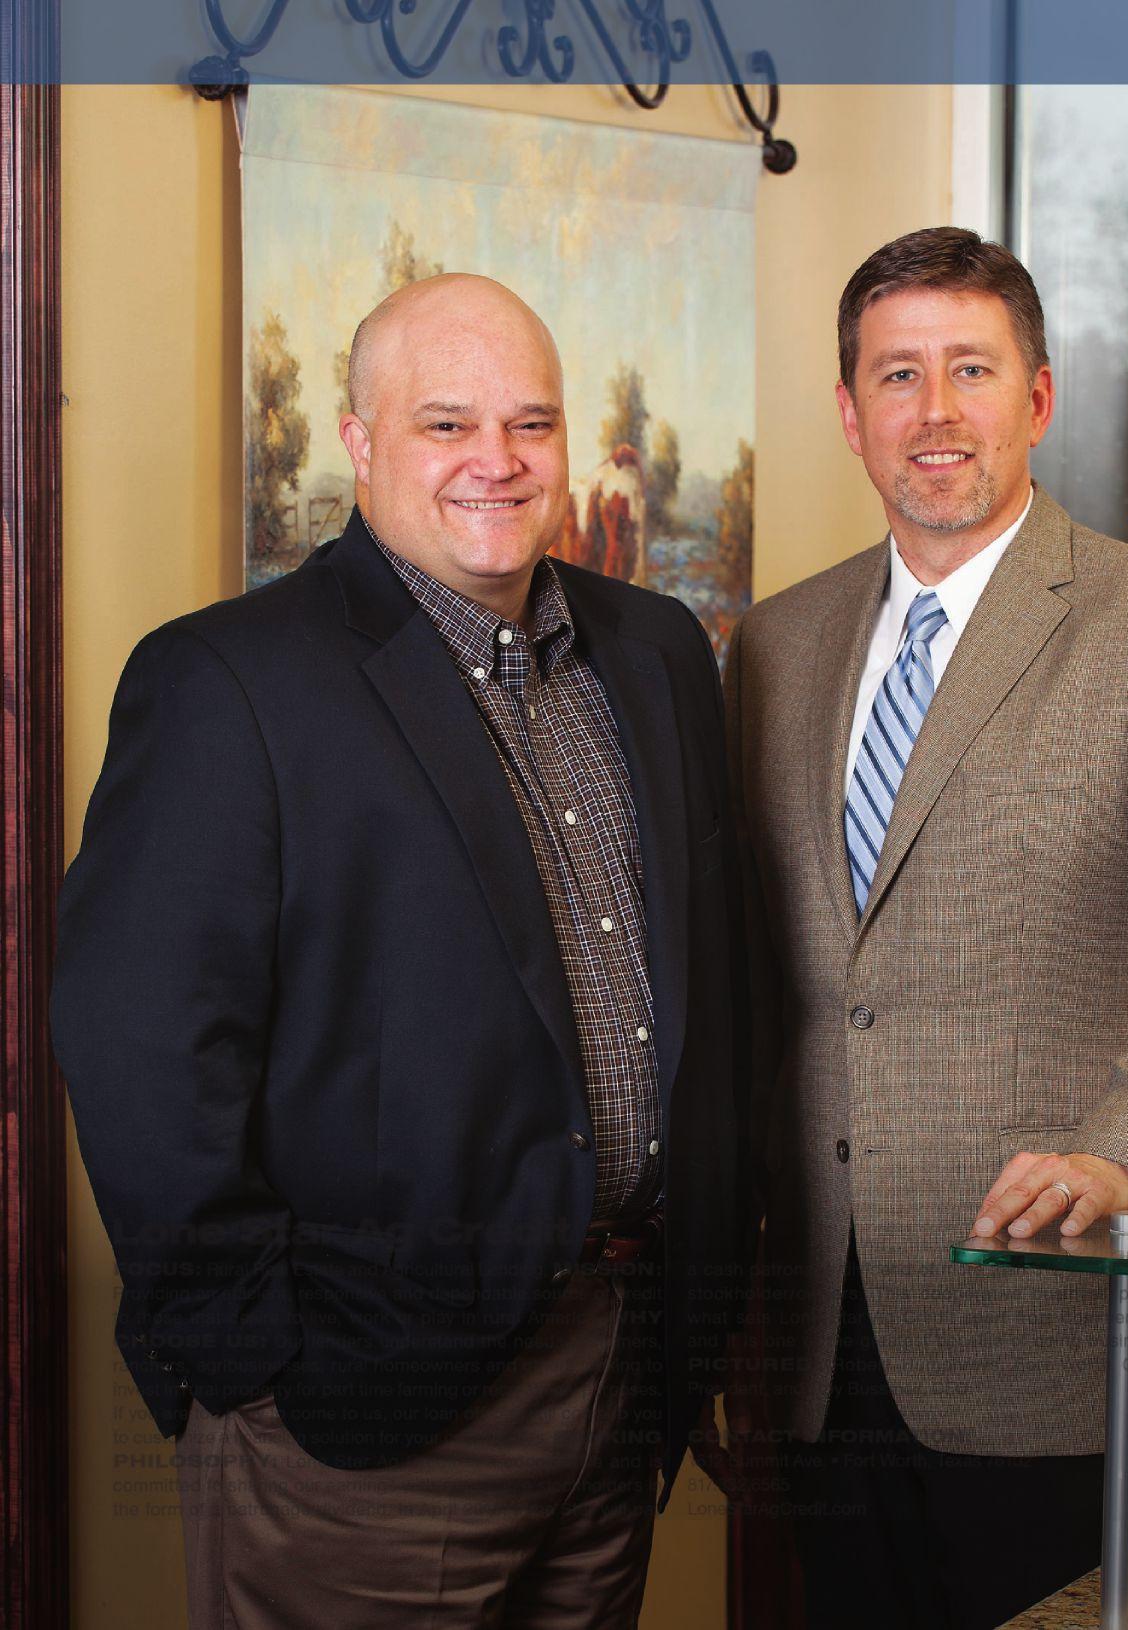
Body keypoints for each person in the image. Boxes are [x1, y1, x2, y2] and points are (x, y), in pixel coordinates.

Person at [52, 274, 747, 1630]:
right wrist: (257, 1358)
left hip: (621, 1366)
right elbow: (141, 1048)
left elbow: (714, 987)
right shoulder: (228, 681)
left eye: (531, 422)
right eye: (446, 423)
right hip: (361, 1409)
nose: (499, 459)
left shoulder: (658, 651)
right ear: (360, 443)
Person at [723, 227, 1128, 1629]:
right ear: (850, 413)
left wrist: (1124, 1146)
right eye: (897, 375)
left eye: (971, 370)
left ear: (1037, 398)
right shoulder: (773, 646)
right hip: (818, 1338)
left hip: (1060, 1318)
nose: (935, 411)